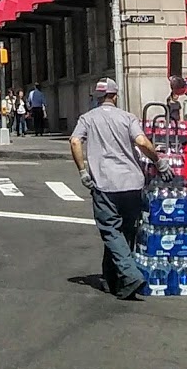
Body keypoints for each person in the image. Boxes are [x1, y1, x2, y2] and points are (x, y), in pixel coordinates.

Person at [70, 76, 173, 300]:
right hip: (132, 183)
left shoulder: (87, 119)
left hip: (105, 184)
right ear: (115, 96)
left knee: (110, 231)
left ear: (97, 97)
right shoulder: (127, 117)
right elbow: (142, 142)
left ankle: (130, 273)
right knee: (125, 231)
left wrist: (83, 171)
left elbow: (75, 141)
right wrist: (159, 161)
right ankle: (112, 278)